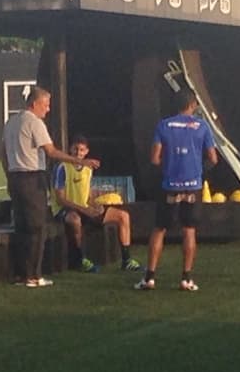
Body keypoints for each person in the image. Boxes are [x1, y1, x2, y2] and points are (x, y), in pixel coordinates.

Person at [2, 88, 100, 288]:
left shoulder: (11, 122)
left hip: (15, 177)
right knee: (37, 226)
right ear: (35, 103)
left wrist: (9, 177)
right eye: (46, 105)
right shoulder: (34, 123)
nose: (47, 110)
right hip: (32, 178)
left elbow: (2, 154)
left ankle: (21, 274)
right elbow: (51, 151)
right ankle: (34, 276)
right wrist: (78, 160)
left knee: (21, 226)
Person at [135, 89, 217, 292]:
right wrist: (198, 169)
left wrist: (169, 167)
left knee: (160, 228)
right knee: (189, 230)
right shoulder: (202, 126)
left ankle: (150, 277)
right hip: (193, 185)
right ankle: (186, 278)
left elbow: (154, 159)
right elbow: (213, 158)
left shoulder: (164, 125)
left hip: (169, 185)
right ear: (192, 105)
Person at [50, 134, 141, 273]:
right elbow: (60, 199)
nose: (78, 153)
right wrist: (84, 209)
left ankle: (126, 260)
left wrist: (95, 204)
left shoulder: (88, 169)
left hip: (83, 207)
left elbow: (87, 192)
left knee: (123, 216)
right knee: (74, 219)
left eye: (81, 150)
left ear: (86, 152)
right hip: (65, 209)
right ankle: (80, 260)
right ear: (70, 149)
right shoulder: (62, 167)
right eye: (75, 149)